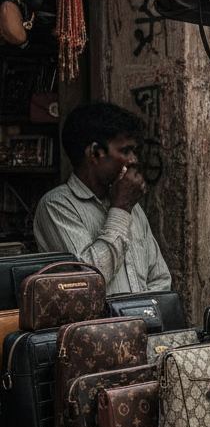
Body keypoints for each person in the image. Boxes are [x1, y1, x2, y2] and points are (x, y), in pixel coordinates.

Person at [34, 101, 171, 293]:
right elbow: (89, 281)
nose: (134, 160)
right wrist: (121, 210)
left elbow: (160, 279)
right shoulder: (56, 206)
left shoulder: (131, 205)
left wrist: (144, 315)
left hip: (143, 322)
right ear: (96, 153)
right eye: (125, 151)